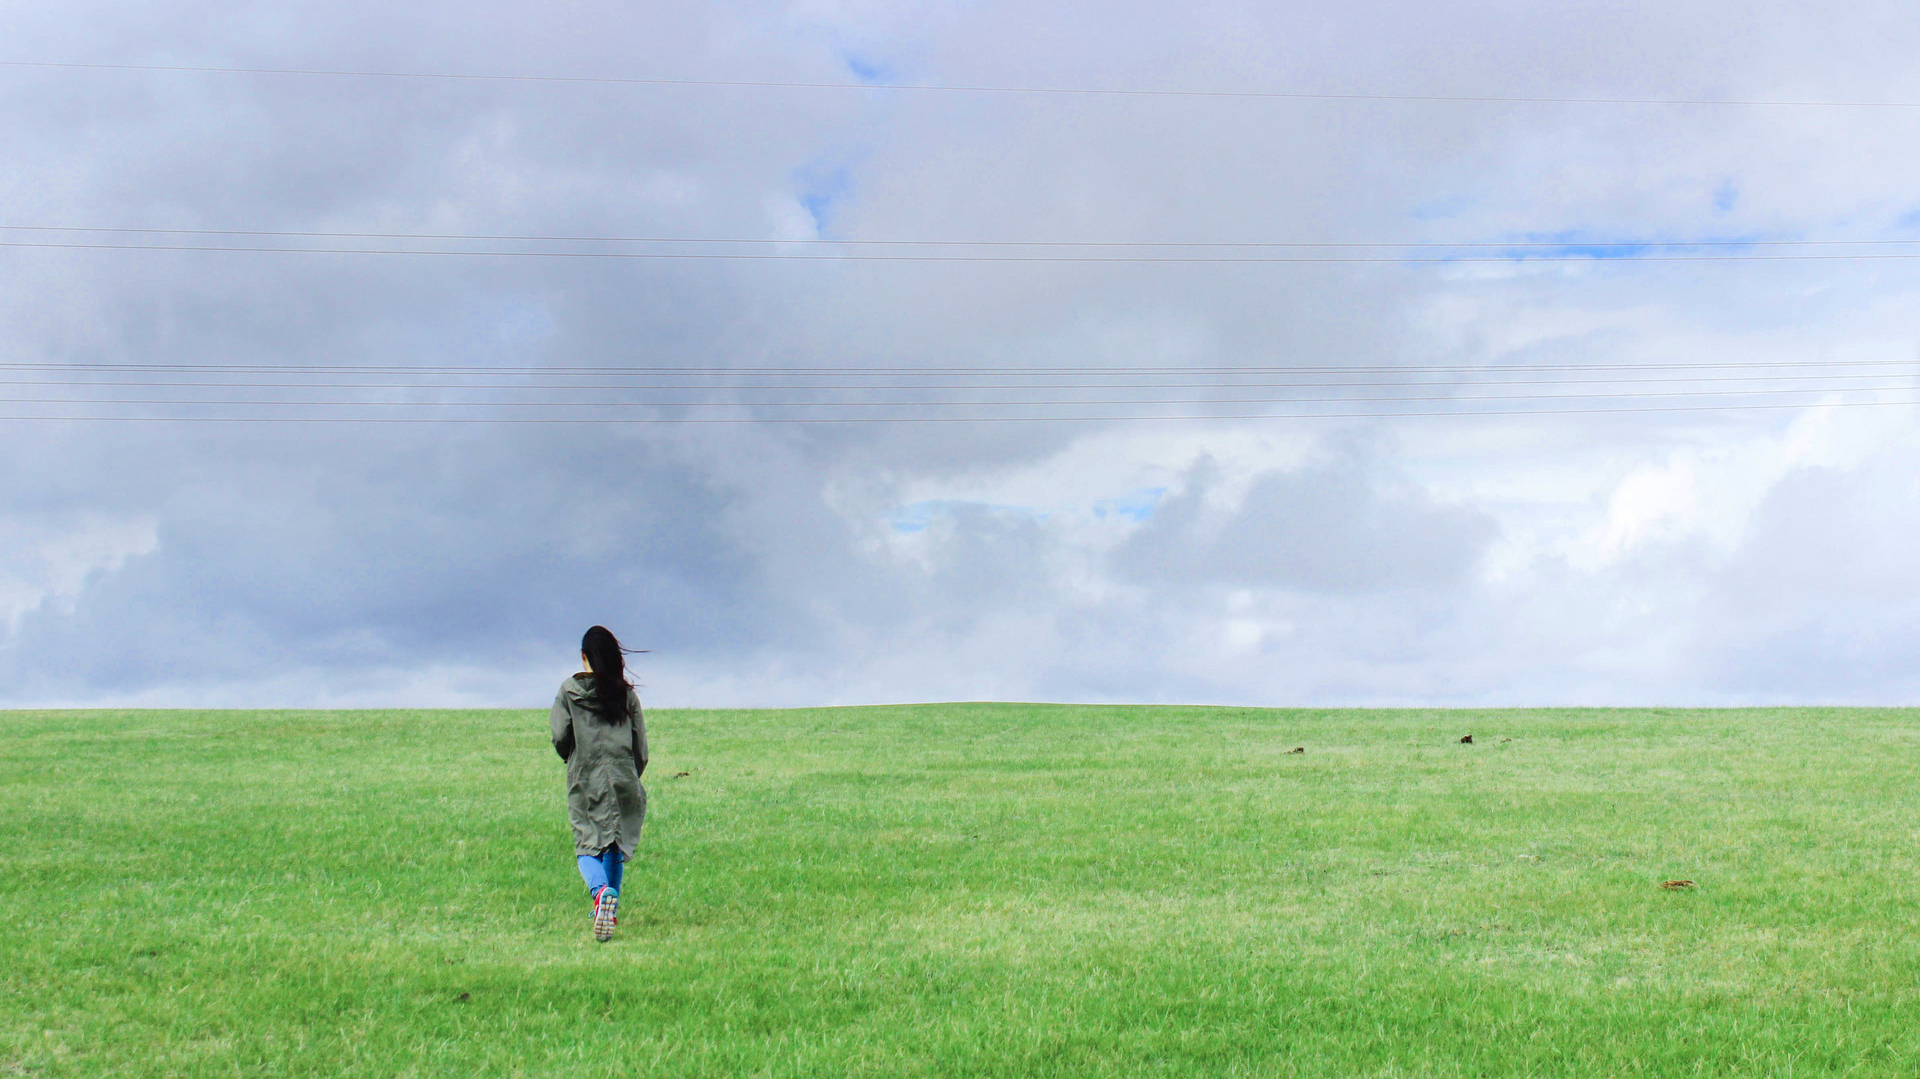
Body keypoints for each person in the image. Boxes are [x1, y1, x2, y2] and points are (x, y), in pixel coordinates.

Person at [549, 625, 648, 942]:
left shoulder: (569, 691)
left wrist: (573, 759)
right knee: (614, 844)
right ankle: (610, 912)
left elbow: (560, 736)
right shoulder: (627, 695)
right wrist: (632, 774)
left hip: (586, 775)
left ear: (584, 657)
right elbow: (640, 747)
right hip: (623, 776)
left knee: (587, 843)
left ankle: (600, 892)